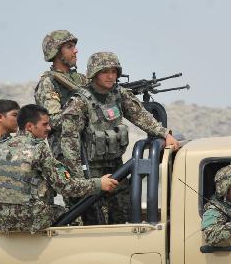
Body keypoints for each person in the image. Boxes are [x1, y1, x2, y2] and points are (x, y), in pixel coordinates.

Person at [59, 52, 179, 225]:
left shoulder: (119, 94)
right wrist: (83, 182)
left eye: (114, 71)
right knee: (95, 223)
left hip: (116, 168)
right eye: (105, 71)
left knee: (124, 216)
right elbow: (69, 142)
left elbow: (140, 116)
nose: (111, 76)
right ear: (94, 73)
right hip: (90, 173)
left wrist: (164, 134)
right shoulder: (79, 102)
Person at [0, 104, 118, 233]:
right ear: (29, 127)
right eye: (45, 124)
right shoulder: (38, 148)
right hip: (30, 219)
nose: (49, 128)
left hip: (1, 219)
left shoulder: (0, 147)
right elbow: (66, 187)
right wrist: (99, 183)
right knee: (73, 216)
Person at [34, 30, 87, 158]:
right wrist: (82, 109)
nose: (75, 51)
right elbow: (53, 121)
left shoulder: (81, 79)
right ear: (56, 52)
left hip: (90, 149)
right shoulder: (49, 82)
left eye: (74, 46)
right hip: (68, 154)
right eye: (69, 47)